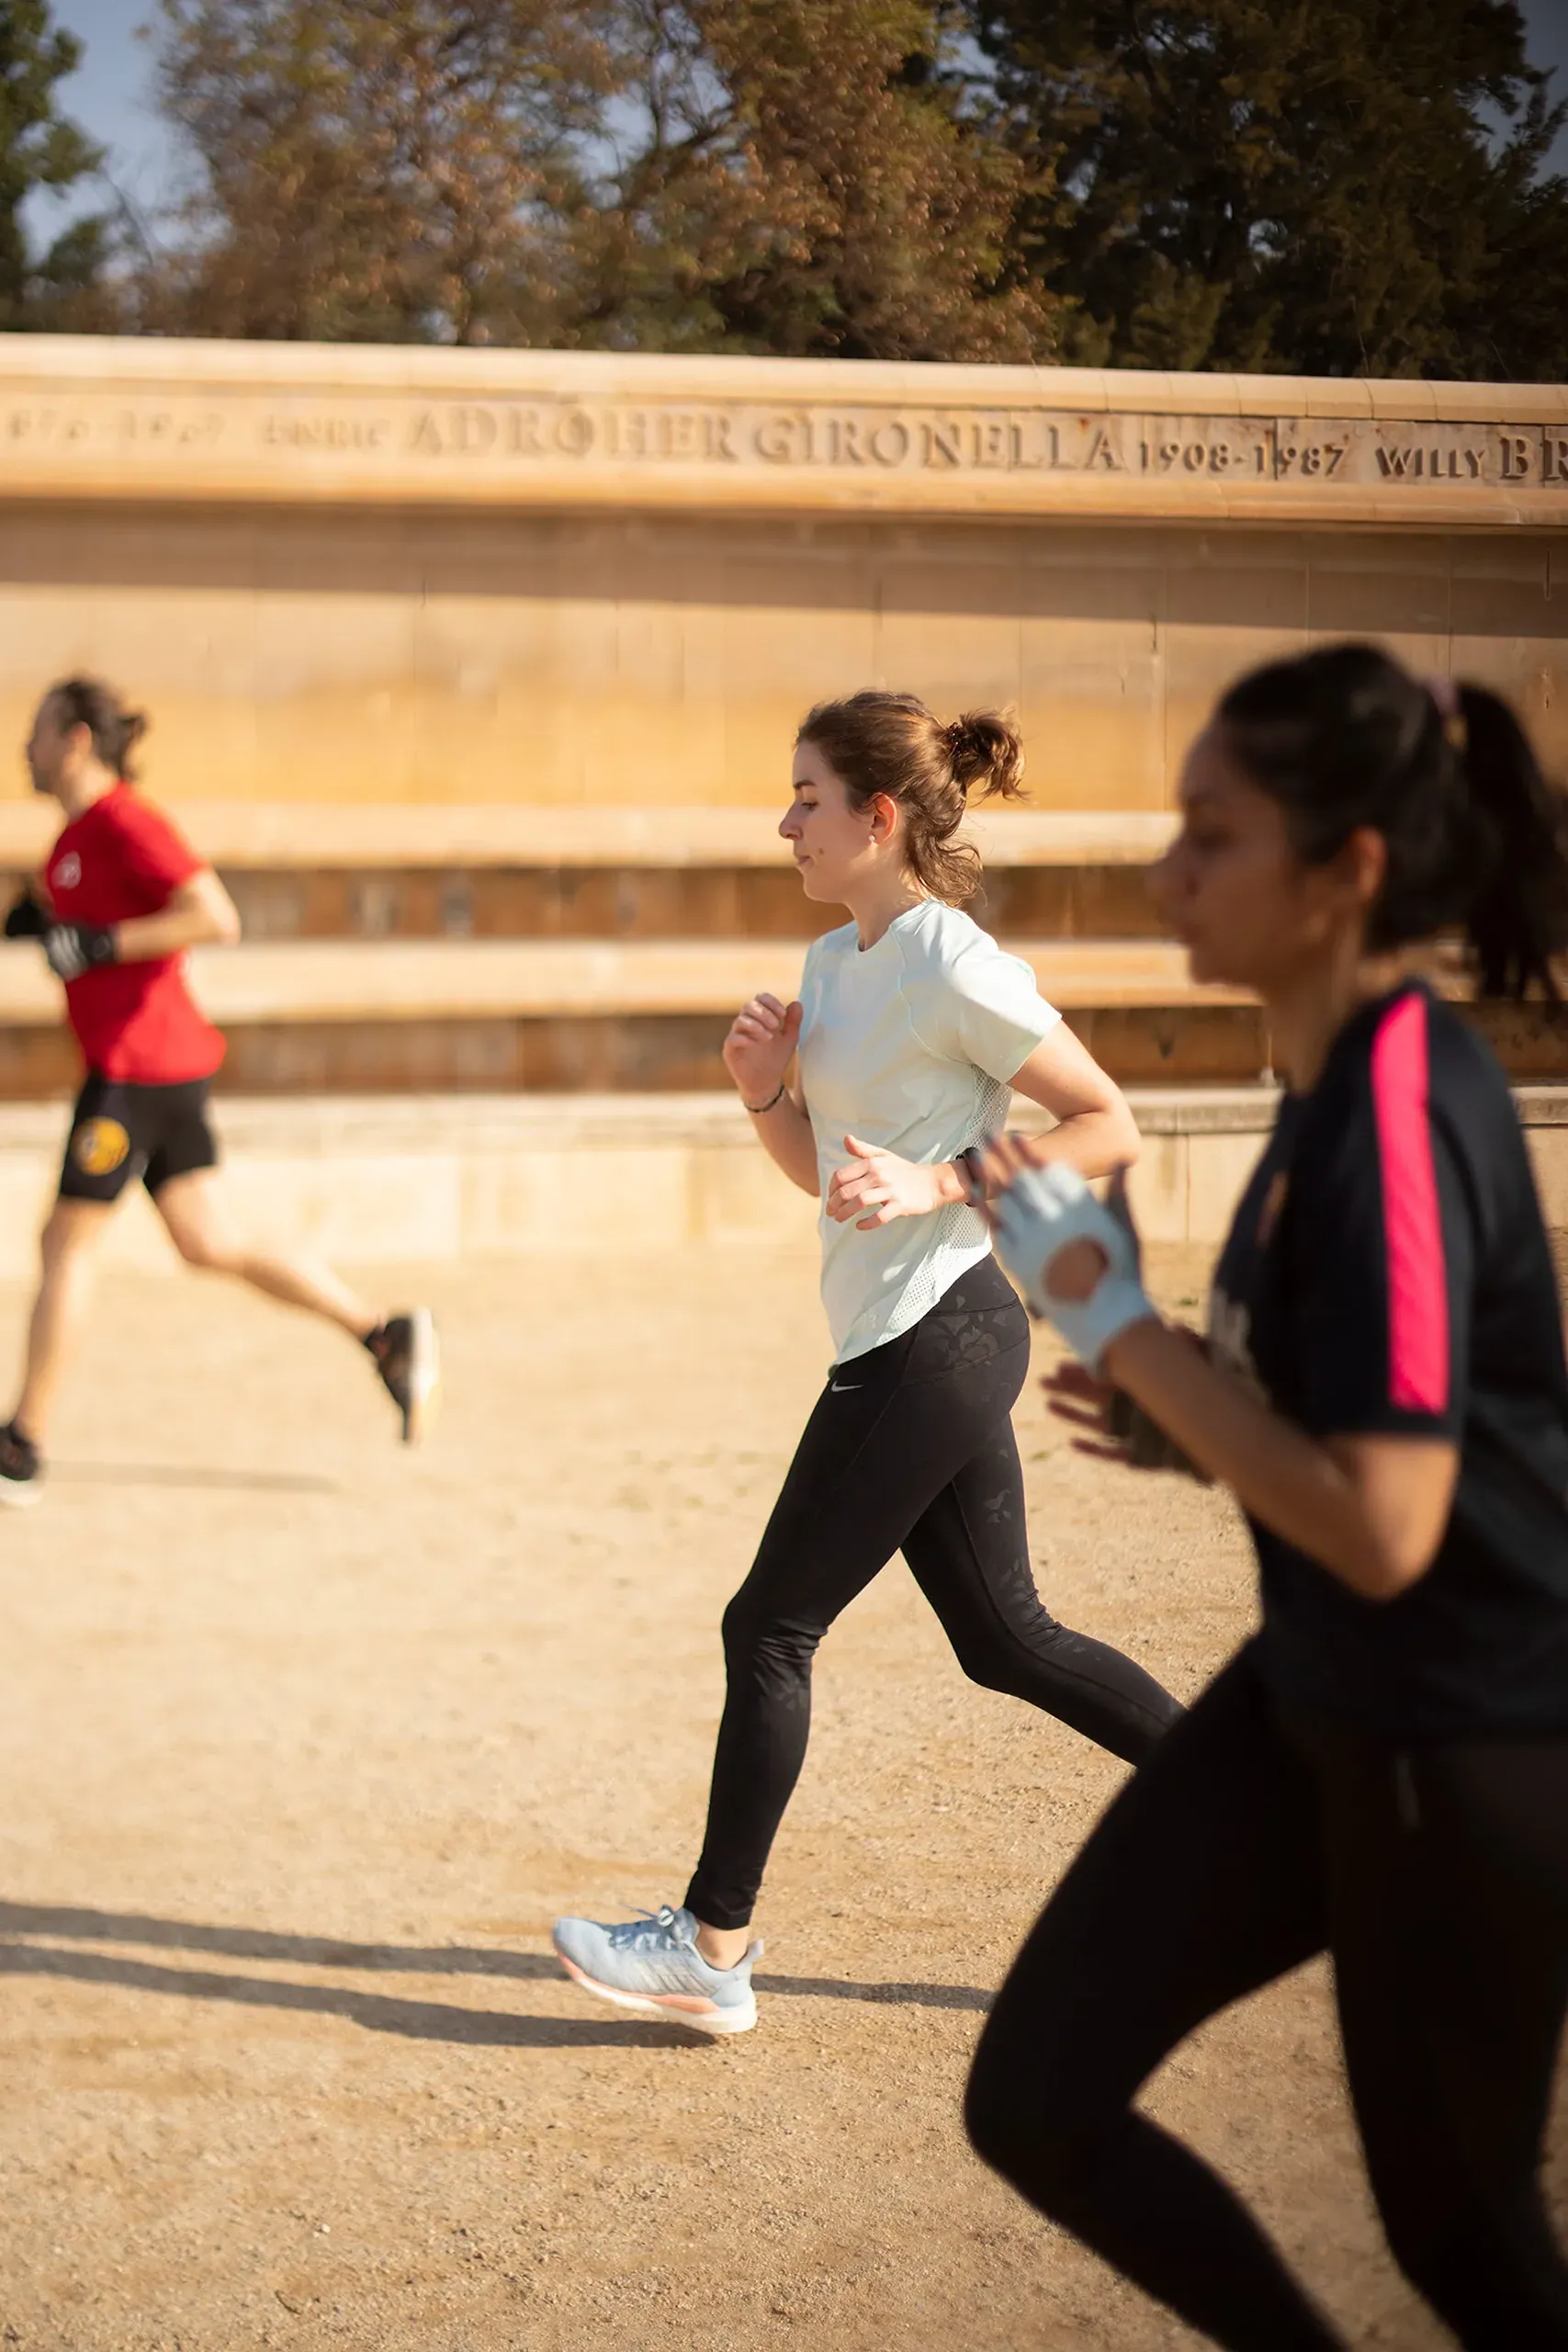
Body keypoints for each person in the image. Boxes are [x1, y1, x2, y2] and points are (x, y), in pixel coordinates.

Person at [965, 642, 1568, 2349]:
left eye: (1211, 836)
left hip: (1457, 1742)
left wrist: (1121, 1334)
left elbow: (1389, 1525)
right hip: (1322, 1703)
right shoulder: (1323, 1087)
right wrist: (1179, 1408)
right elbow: (1343, 1431)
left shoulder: (1395, 1104)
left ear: (1344, 870)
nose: (1168, 872)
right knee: (1036, 2095)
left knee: (1460, 2240)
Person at [552, 689, 1181, 2034]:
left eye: (804, 797)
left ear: (875, 815)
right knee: (1007, 1642)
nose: (781, 820)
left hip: (937, 1335)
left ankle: (709, 1947)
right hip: (916, 1334)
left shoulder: (955, 962)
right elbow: (827, 1184)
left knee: (766, 1624)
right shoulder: (835, 963)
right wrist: (767, 1095)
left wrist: (943, 1179)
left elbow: (1106, 1125)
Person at [0, 676, 439, 1507]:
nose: (23, 746)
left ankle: (21, 1444)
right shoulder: (78, 834)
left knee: (66, 1245)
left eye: (37, 729)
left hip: (136, 1069)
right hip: (154, 1067)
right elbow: (67, 912)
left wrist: (102, 943)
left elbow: (213, 913)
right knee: (207, 1239)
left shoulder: (127, 820)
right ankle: (383, 1335)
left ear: (77, 741)